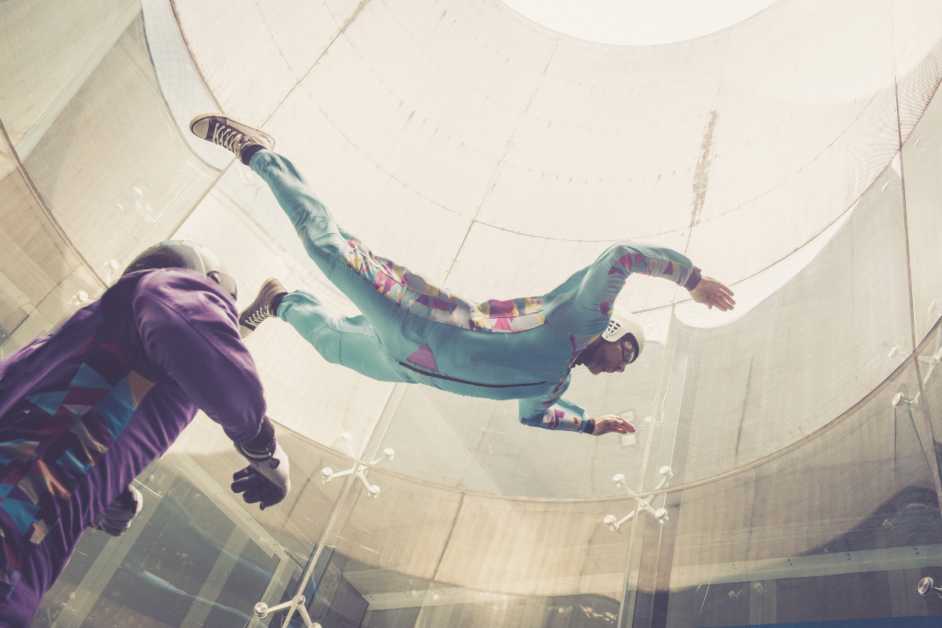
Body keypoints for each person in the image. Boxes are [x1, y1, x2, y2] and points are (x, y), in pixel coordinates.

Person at [191, 114, 735, 439]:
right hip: (415, 320)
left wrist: (590, 425)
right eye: (627, 356)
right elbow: (620, 256)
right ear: (615, 334)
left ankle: (280, 301)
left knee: (331, 346)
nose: (620, 369)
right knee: (326, 248)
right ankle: (259, 153)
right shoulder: (582, 317)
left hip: (403, 367)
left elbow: (534, 420)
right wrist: (690, 279)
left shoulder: (553, 385)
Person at [0, 240, 291, 627]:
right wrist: (263, 447)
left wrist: (105, 491)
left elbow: (41, 435)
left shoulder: (72, 349)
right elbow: (180, 319)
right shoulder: (159, 295)